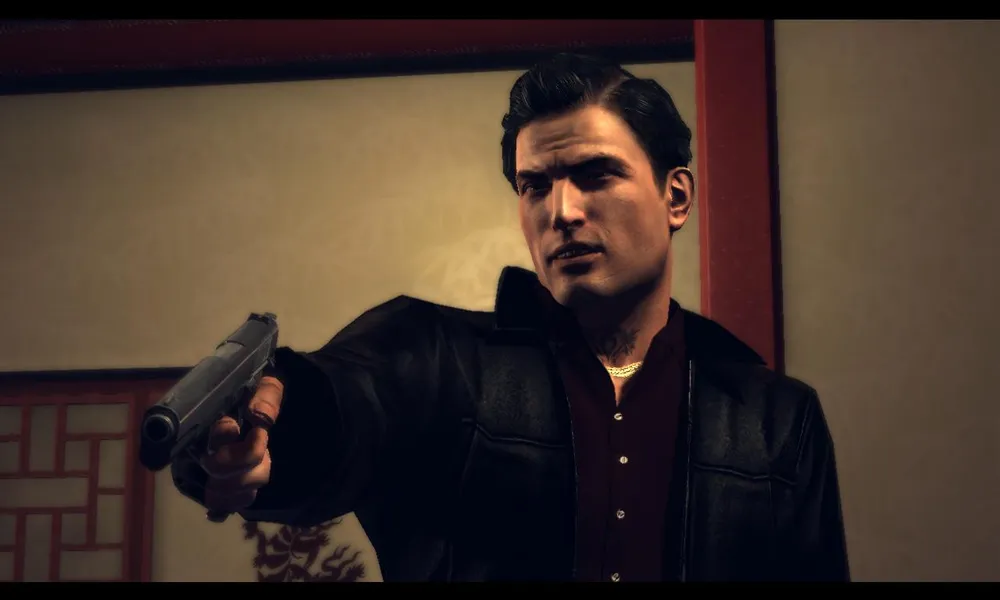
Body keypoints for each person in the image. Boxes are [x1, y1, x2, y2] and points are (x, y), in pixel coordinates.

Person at [171, 52, 850, 582]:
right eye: (535, 186)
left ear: (676, 197)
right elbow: (341, 407)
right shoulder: (435, 357)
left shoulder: (774, 419)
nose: (562, 211)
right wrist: (262, 438)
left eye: (596, 175)